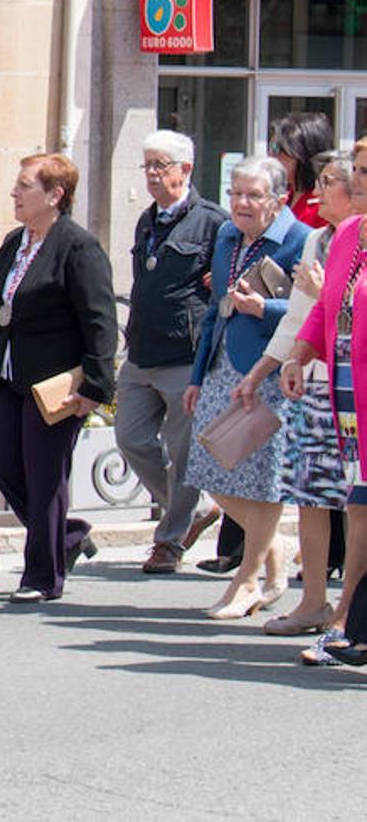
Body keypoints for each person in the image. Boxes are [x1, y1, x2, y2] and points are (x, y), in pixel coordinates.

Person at [0, 154, 117, 604]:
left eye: (25, 185)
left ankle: (41, 576)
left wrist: (96, 386)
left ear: (54, 195)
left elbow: (100, 321)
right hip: (12, 377)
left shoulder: (78, 247)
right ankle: (66, 538)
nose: (14, 192)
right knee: (2, 463)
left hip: (57, 383)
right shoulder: (16, 242)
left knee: (46, 475)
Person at [183, 156, 309, 619]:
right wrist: (198, 374)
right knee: (206, 465)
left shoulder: (299, 239)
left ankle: (248, 579)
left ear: (278, 201)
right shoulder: (227, 236)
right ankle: (273, 546)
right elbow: (216, 308)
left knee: (261, 480)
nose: (241, 203)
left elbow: (308, 310)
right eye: (236, 194)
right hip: (222, 365)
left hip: (272, 368)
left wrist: (264, 310)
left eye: (254, 195)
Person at [237, 151, 354, 637]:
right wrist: (280, 361)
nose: (318, 191)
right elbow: (302, 314)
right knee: (311, 495)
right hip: (317, 383)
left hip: (352, 385)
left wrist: (324, 293)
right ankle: (313, 602)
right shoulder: (321, 241)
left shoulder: (356, 242)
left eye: (330, 182)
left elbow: (344, 314)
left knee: (357, 503)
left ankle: (349, 614)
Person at [116, 130, 226, 574]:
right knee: (131, 438)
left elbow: (233, 277)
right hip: (142, 350)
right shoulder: (148, 219)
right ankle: (191, 512)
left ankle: (170, 540)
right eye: (147, 165)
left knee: (181, 451)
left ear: (185, 169)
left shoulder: (213, 222)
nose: (152, 174)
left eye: (161, 165)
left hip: (185, 353)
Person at [282, 143, 367, 665]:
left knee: (361, 507)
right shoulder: (348, 237)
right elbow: (327, 309)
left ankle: (346, 620)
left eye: (365, 173)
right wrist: (298, 354)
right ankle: (347, 621)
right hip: (345, 391)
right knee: (357, 504)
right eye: (355, 171)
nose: (355, 180)